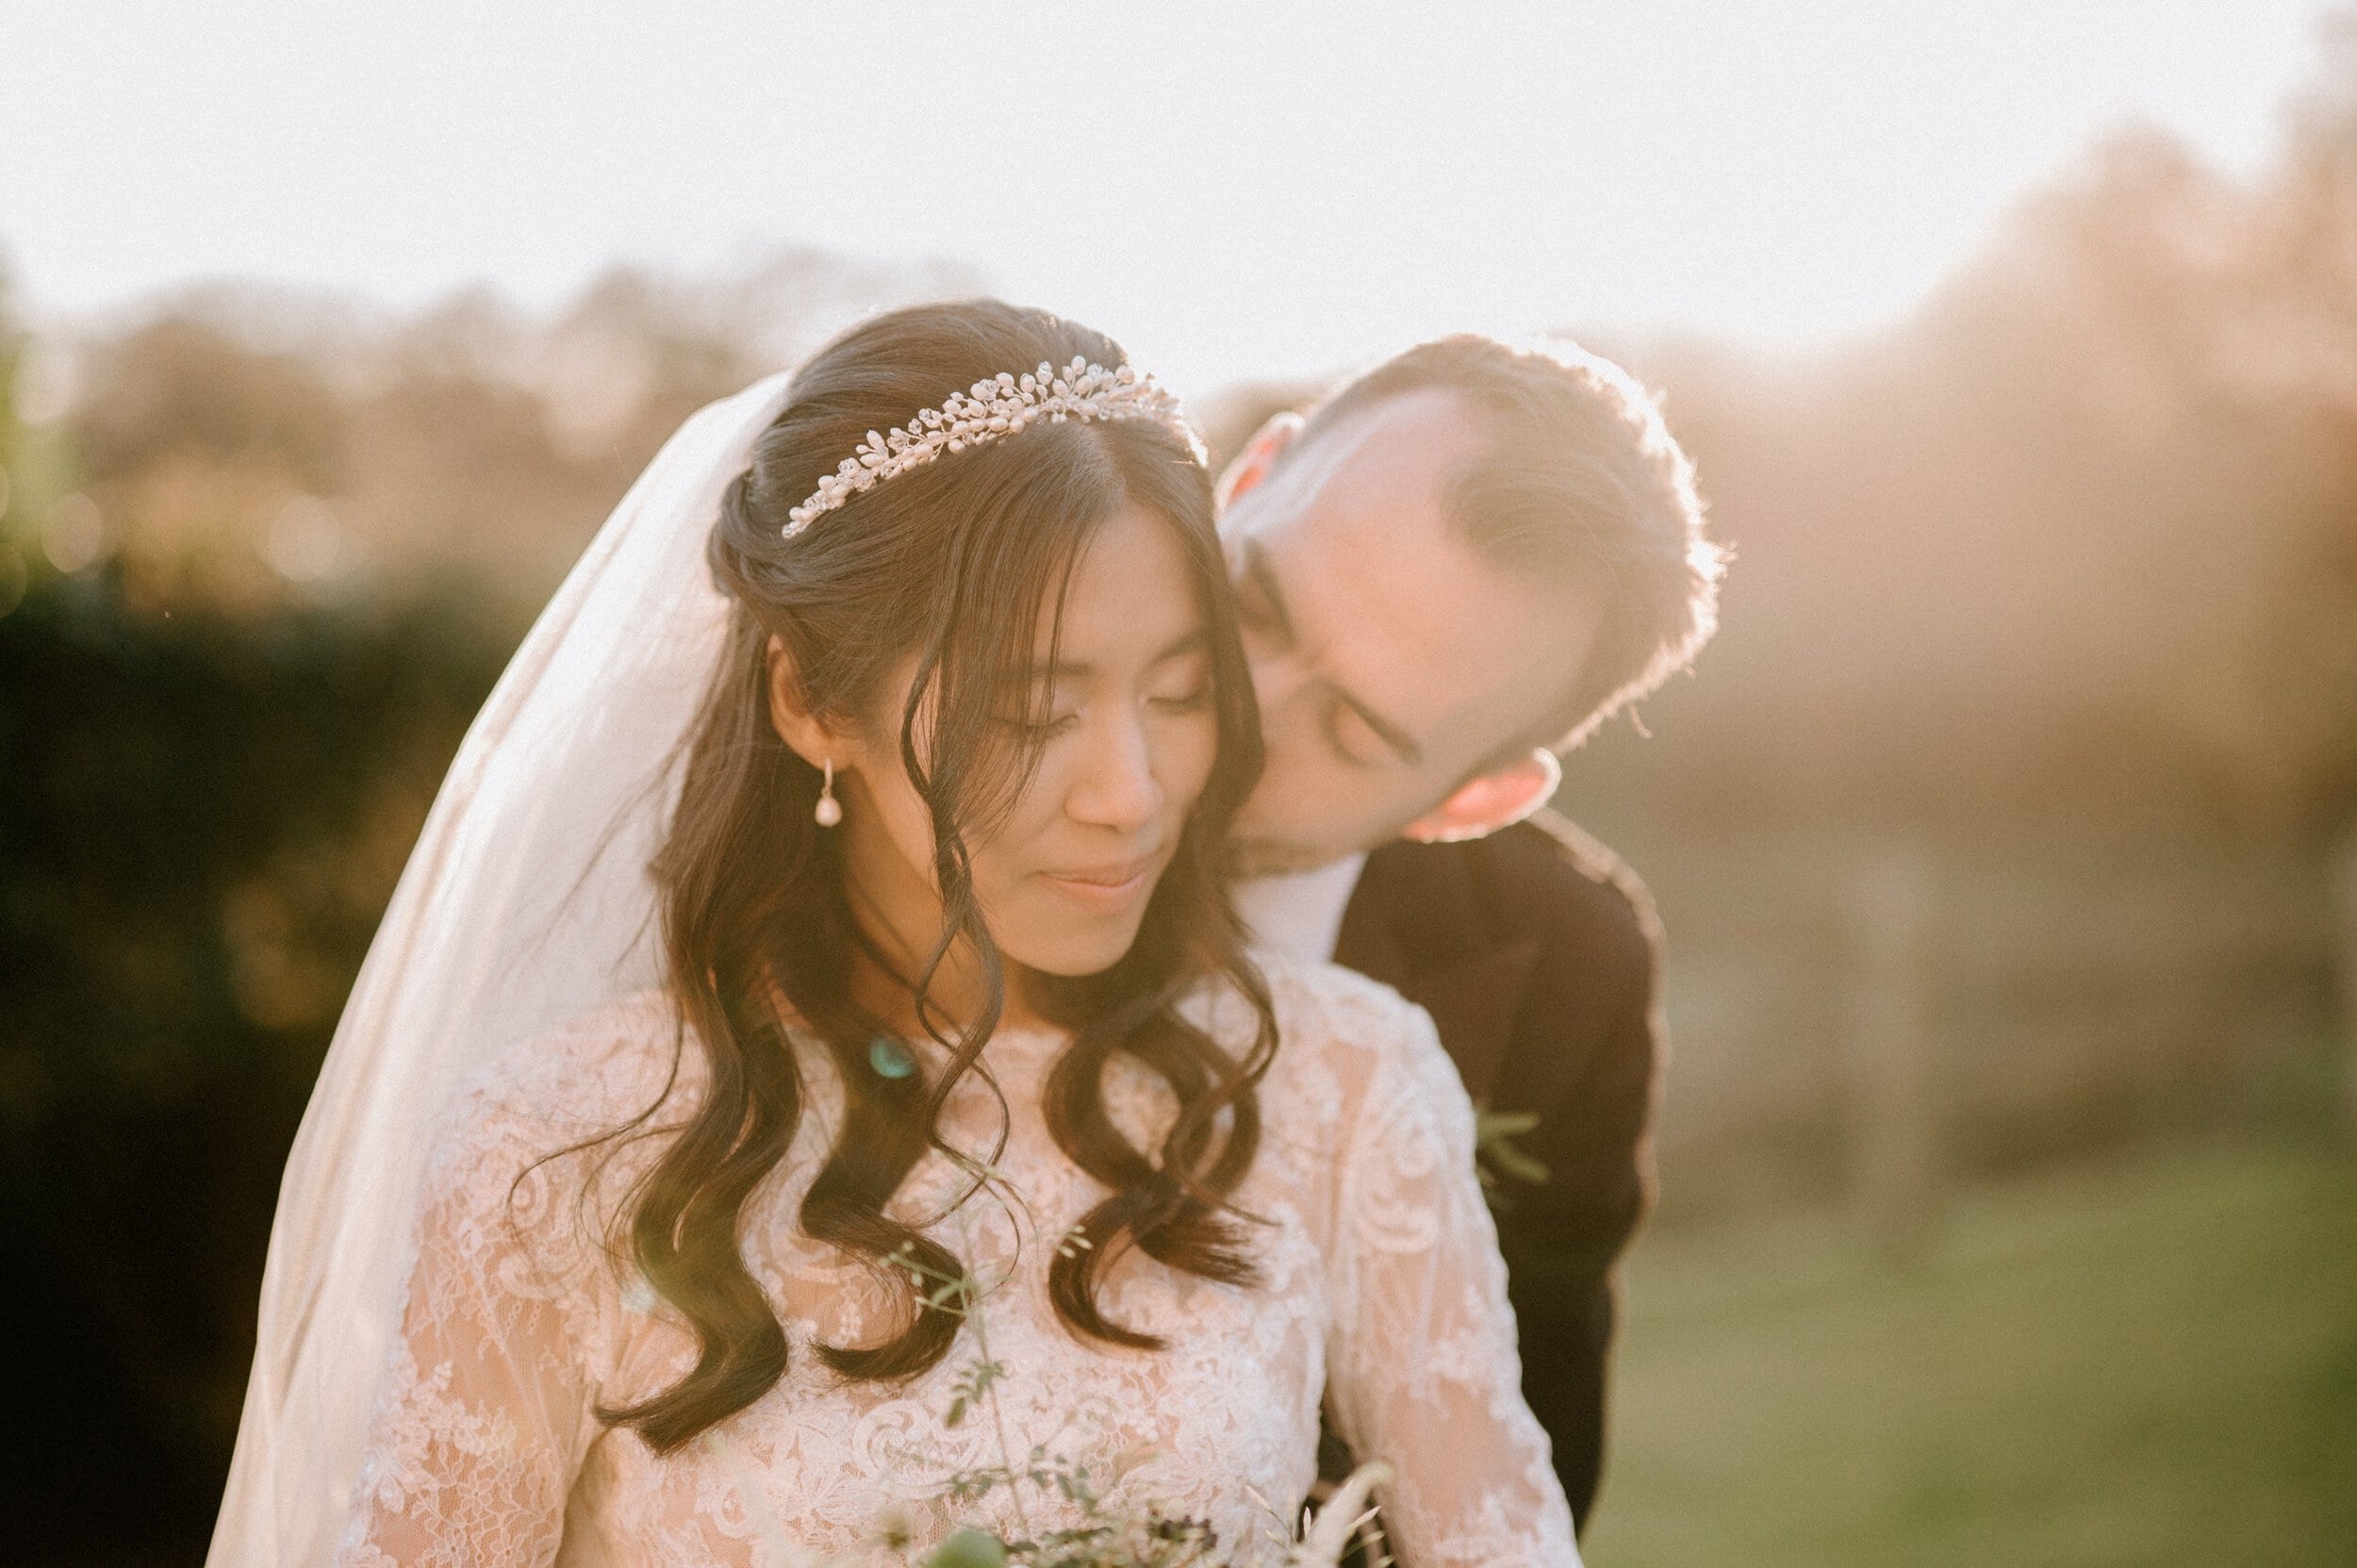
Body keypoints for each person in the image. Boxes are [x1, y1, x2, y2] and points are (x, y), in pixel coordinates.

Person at [206, 301, 1581, 1568]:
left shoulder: (1341, 1084)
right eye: (1033, 708)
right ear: (812, 699)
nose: (1132, 792)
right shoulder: (557, 1145)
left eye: (1176, 691)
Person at [1216, 335, 1724, 1530]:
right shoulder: (889, 744)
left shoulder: (1566, 971)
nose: (1243, 711)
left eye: (1349, 732)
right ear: (1245, 480)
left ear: (1469, 801)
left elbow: (1516, 1476)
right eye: (1253, 603)